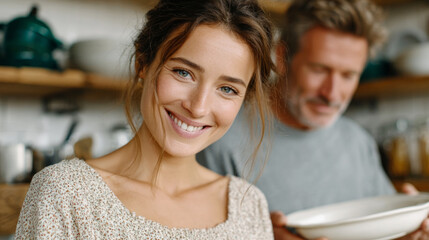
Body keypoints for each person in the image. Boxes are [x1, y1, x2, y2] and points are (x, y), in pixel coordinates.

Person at [15, 0, 277, 239]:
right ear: (143, 63)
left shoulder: (248, 206)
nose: (198, 108)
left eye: (227, 89)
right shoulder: (65, 193)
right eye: (183, 72)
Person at [197, 0, 429, 239]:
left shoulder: (358, 141)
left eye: (349, 75)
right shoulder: (221, 140)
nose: (331, 93)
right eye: (319, 70)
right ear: (282, 55)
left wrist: (410, 232)